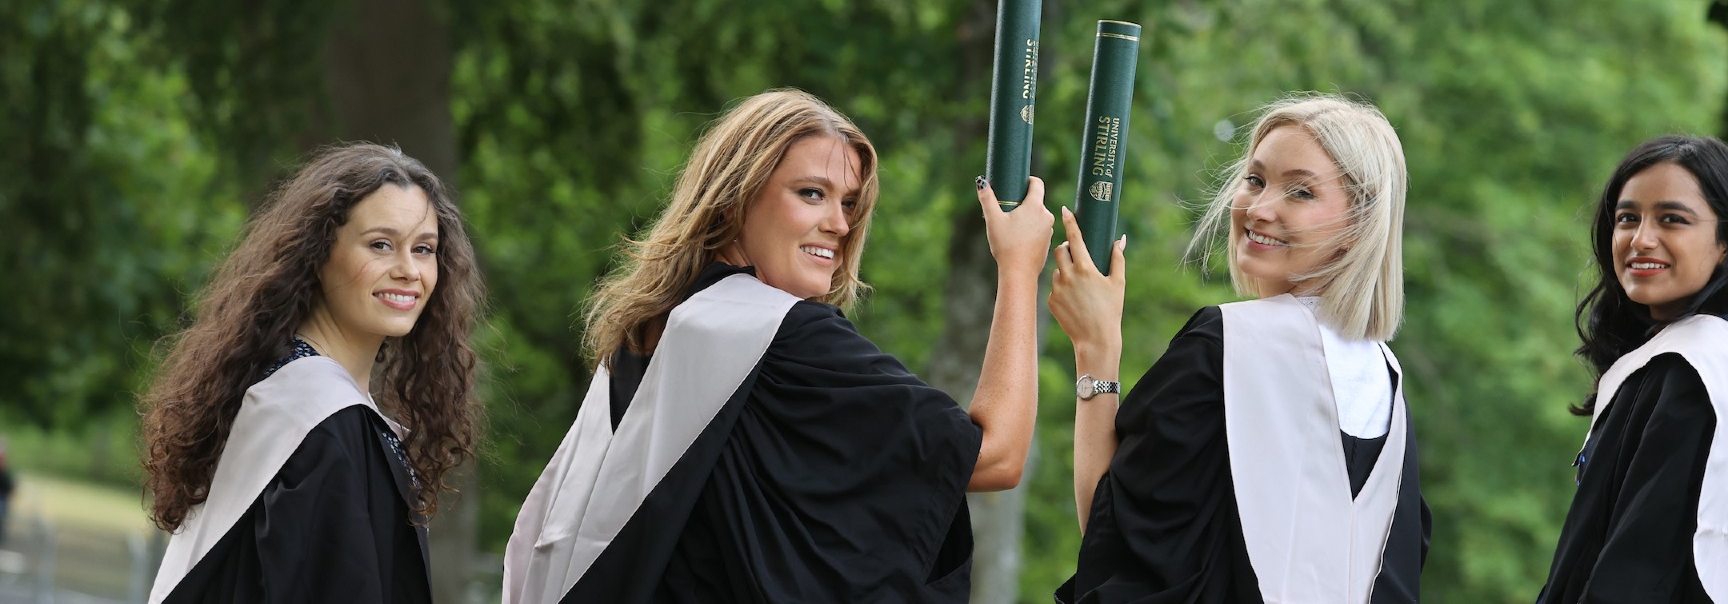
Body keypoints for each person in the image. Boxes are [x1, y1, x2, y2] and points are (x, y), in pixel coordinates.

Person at [502, 88, 1054, 603]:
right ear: (733, 198)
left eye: (849, 203)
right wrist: (1019, 268)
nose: (838, 223)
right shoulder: (784, 338)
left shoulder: (649, 334)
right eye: (811, 193)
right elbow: (996, 456)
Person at [1051, 94, 1429, 603]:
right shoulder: (1386, 380)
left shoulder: (1225, 346)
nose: (1259, 207)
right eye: (1255, 179)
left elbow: (1119, 533)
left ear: (1357, 224)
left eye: (1299, 192)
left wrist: (1095, 347)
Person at [140, 143, 483, 604]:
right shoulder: (322, 422)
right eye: (381, 245)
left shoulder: (286, 391)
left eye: (424, 250)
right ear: (319, 253)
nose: (409, 270)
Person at [1537, 135, 1728, 603]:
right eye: (1627, 218)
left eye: (1672, 219)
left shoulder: (1694, 371)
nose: (1640, 238)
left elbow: (1638, 568)